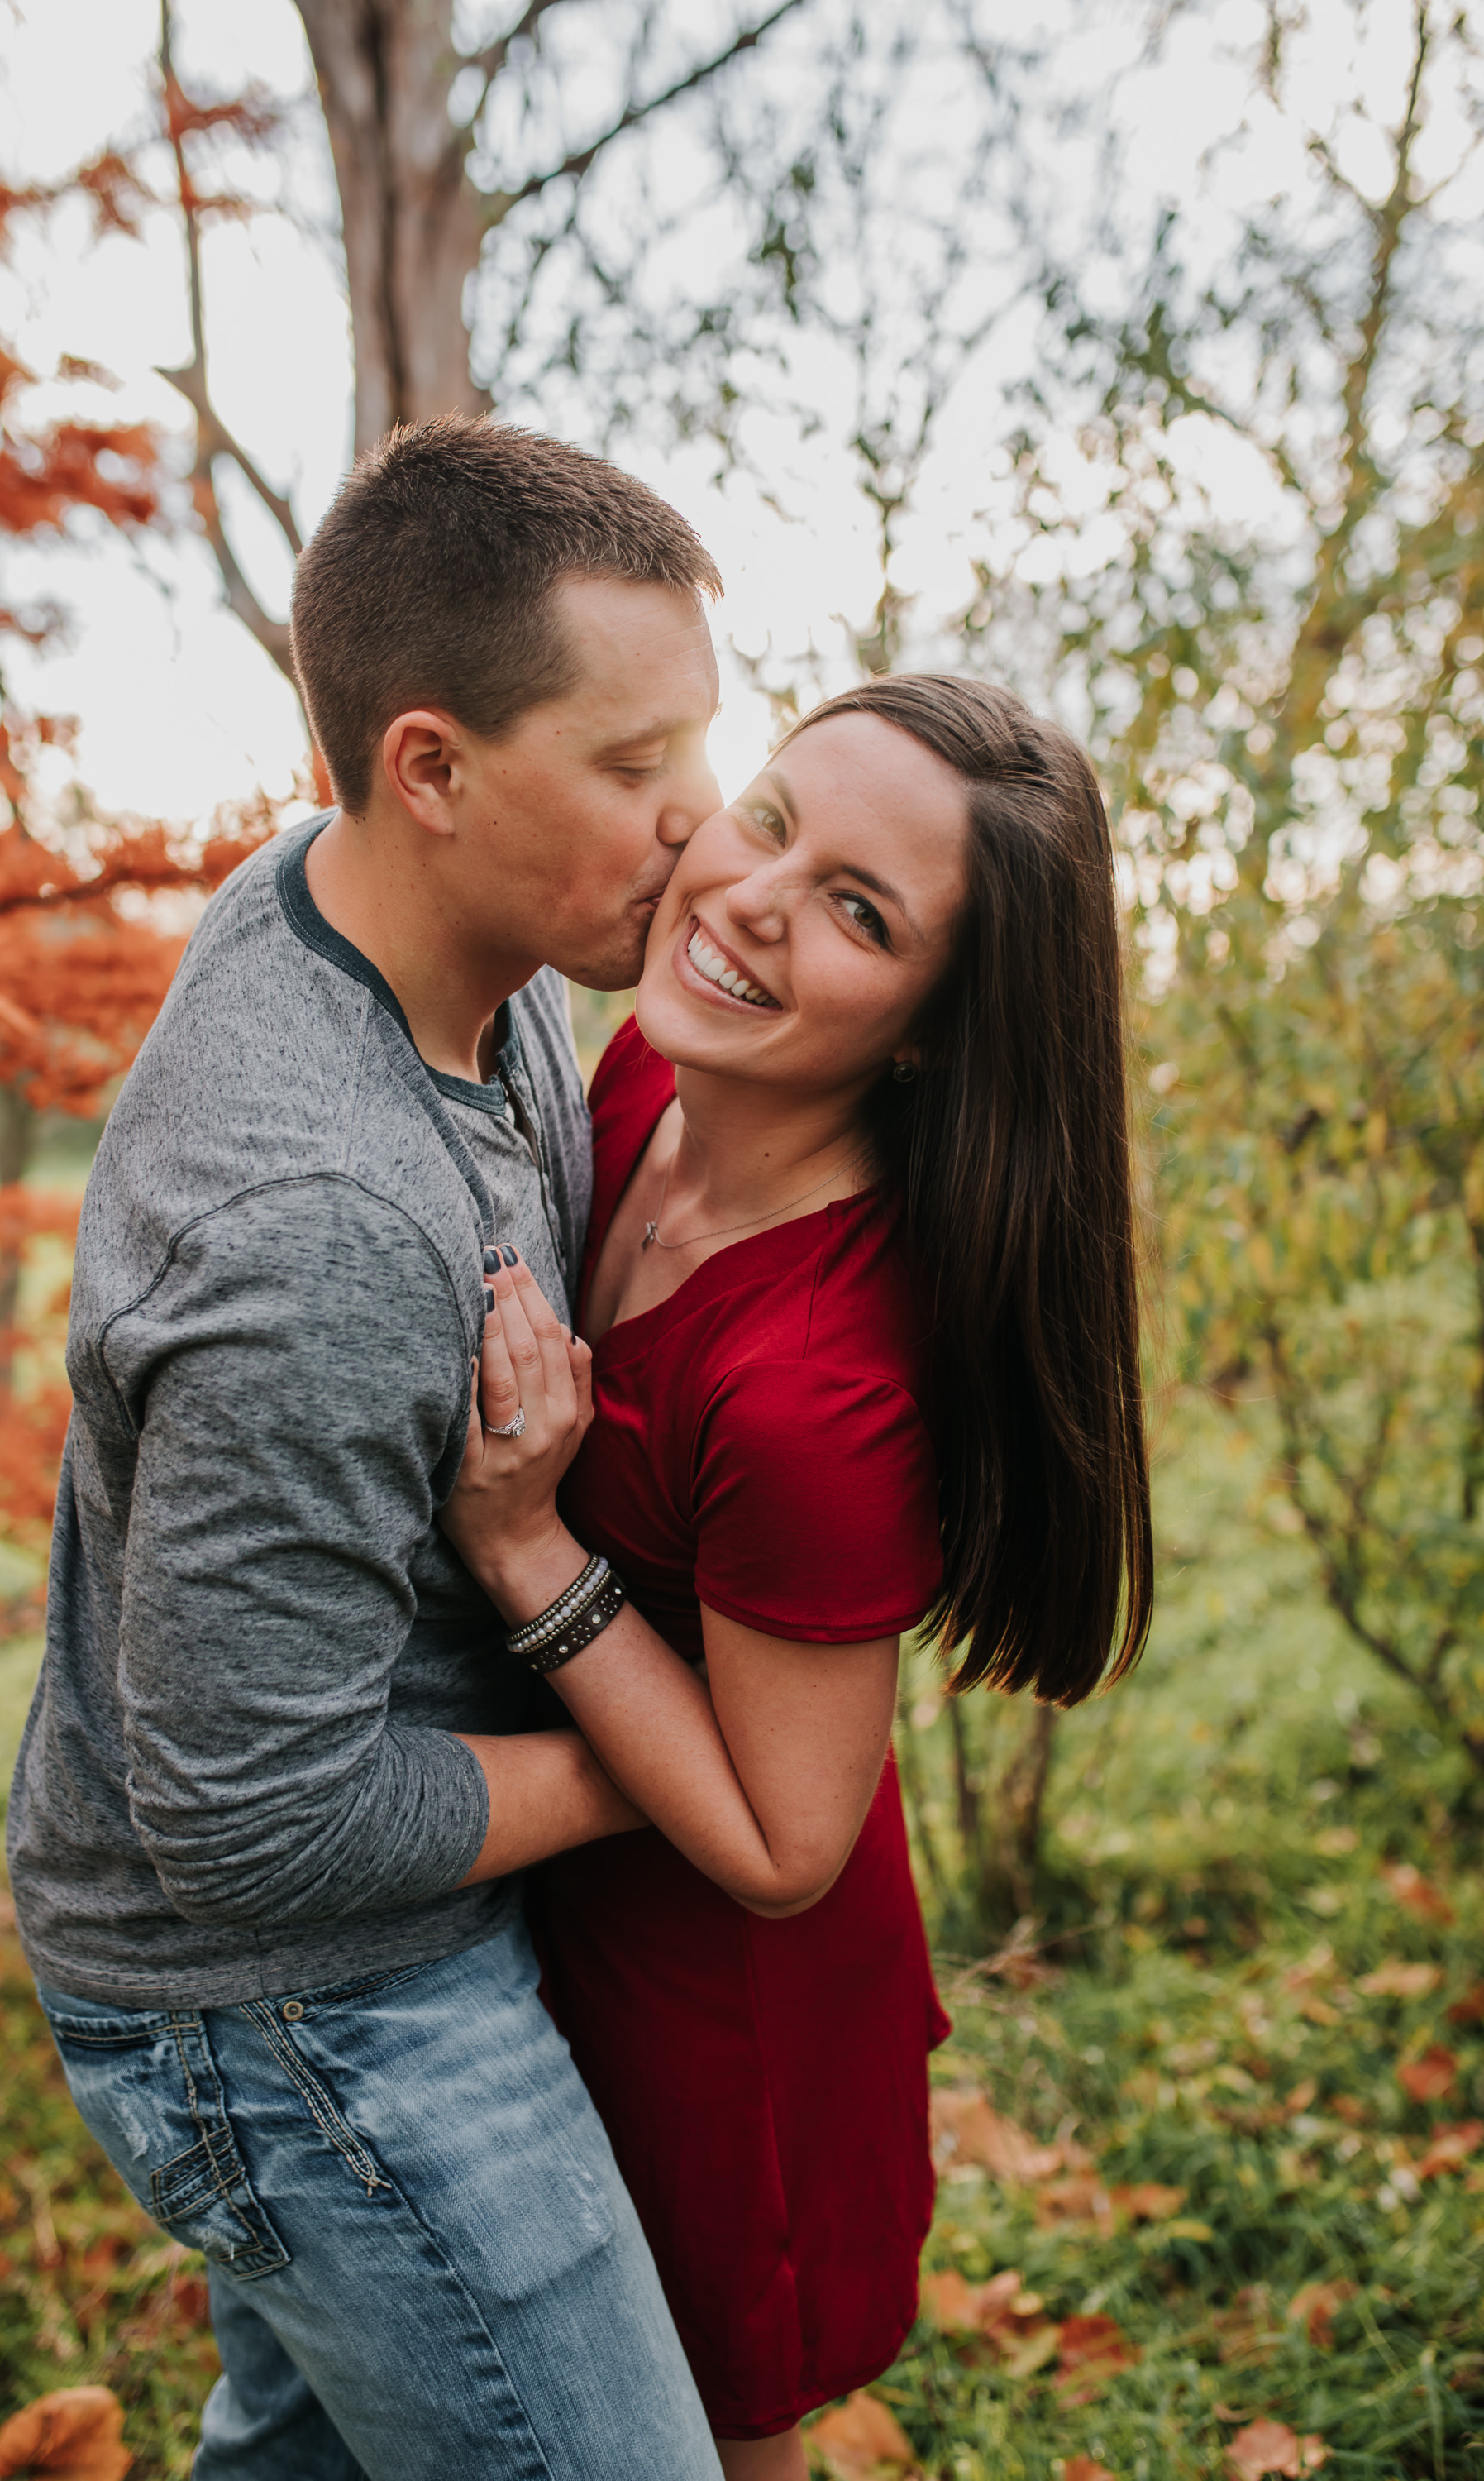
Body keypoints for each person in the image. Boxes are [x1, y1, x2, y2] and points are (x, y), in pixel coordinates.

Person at [5, 417, 732, 2479]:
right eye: (627, 766)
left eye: (696, 744)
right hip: (302, 2012)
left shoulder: (447, 945)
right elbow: (256, 1828)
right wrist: (668, 1769)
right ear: (426, 767)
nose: (697, 822)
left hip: (338, 1940)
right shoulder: (317, 1217)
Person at [444, 673, 1154, 2479]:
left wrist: (527, 1550)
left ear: (928, 1029)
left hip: (718, 2044)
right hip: (535, 1957)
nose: (754, 896)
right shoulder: (634, 1086)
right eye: (771, 816)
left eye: (859, 910)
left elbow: (785, 1846)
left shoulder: (814, 1392)